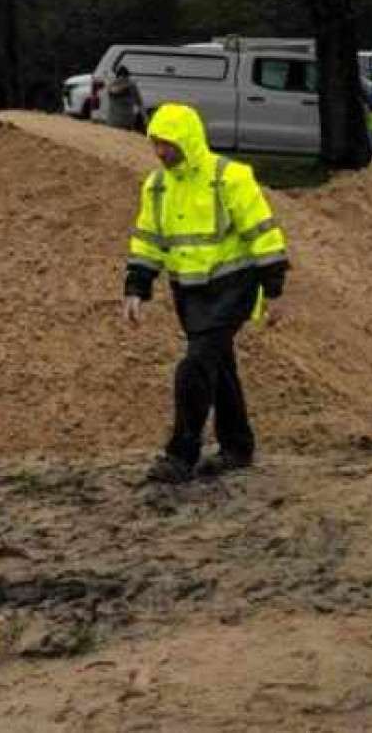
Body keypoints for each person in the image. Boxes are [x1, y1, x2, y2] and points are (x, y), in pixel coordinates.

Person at [123, 103, 290, 483]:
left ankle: (180, 455)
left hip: (234, 287)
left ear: (189, 141)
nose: (161, 152)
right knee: (220, 365)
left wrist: (274, 290)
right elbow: (149, 240)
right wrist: (137, 287)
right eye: (156, 144)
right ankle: (237, 446)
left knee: (195, 367)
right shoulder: (158, 185)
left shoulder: (229, 177)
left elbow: (262, 233)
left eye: (168, 144)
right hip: (189, 292)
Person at [98, 63, 146, 131]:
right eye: (122, 76)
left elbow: (139, 102)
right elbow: (114, 90)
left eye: (125, 76)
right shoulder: (115, 85)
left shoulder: (132, 86)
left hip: (126, 121)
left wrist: (144, 117)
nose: (123, 78)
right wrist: (127, 85)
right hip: (115, 122)